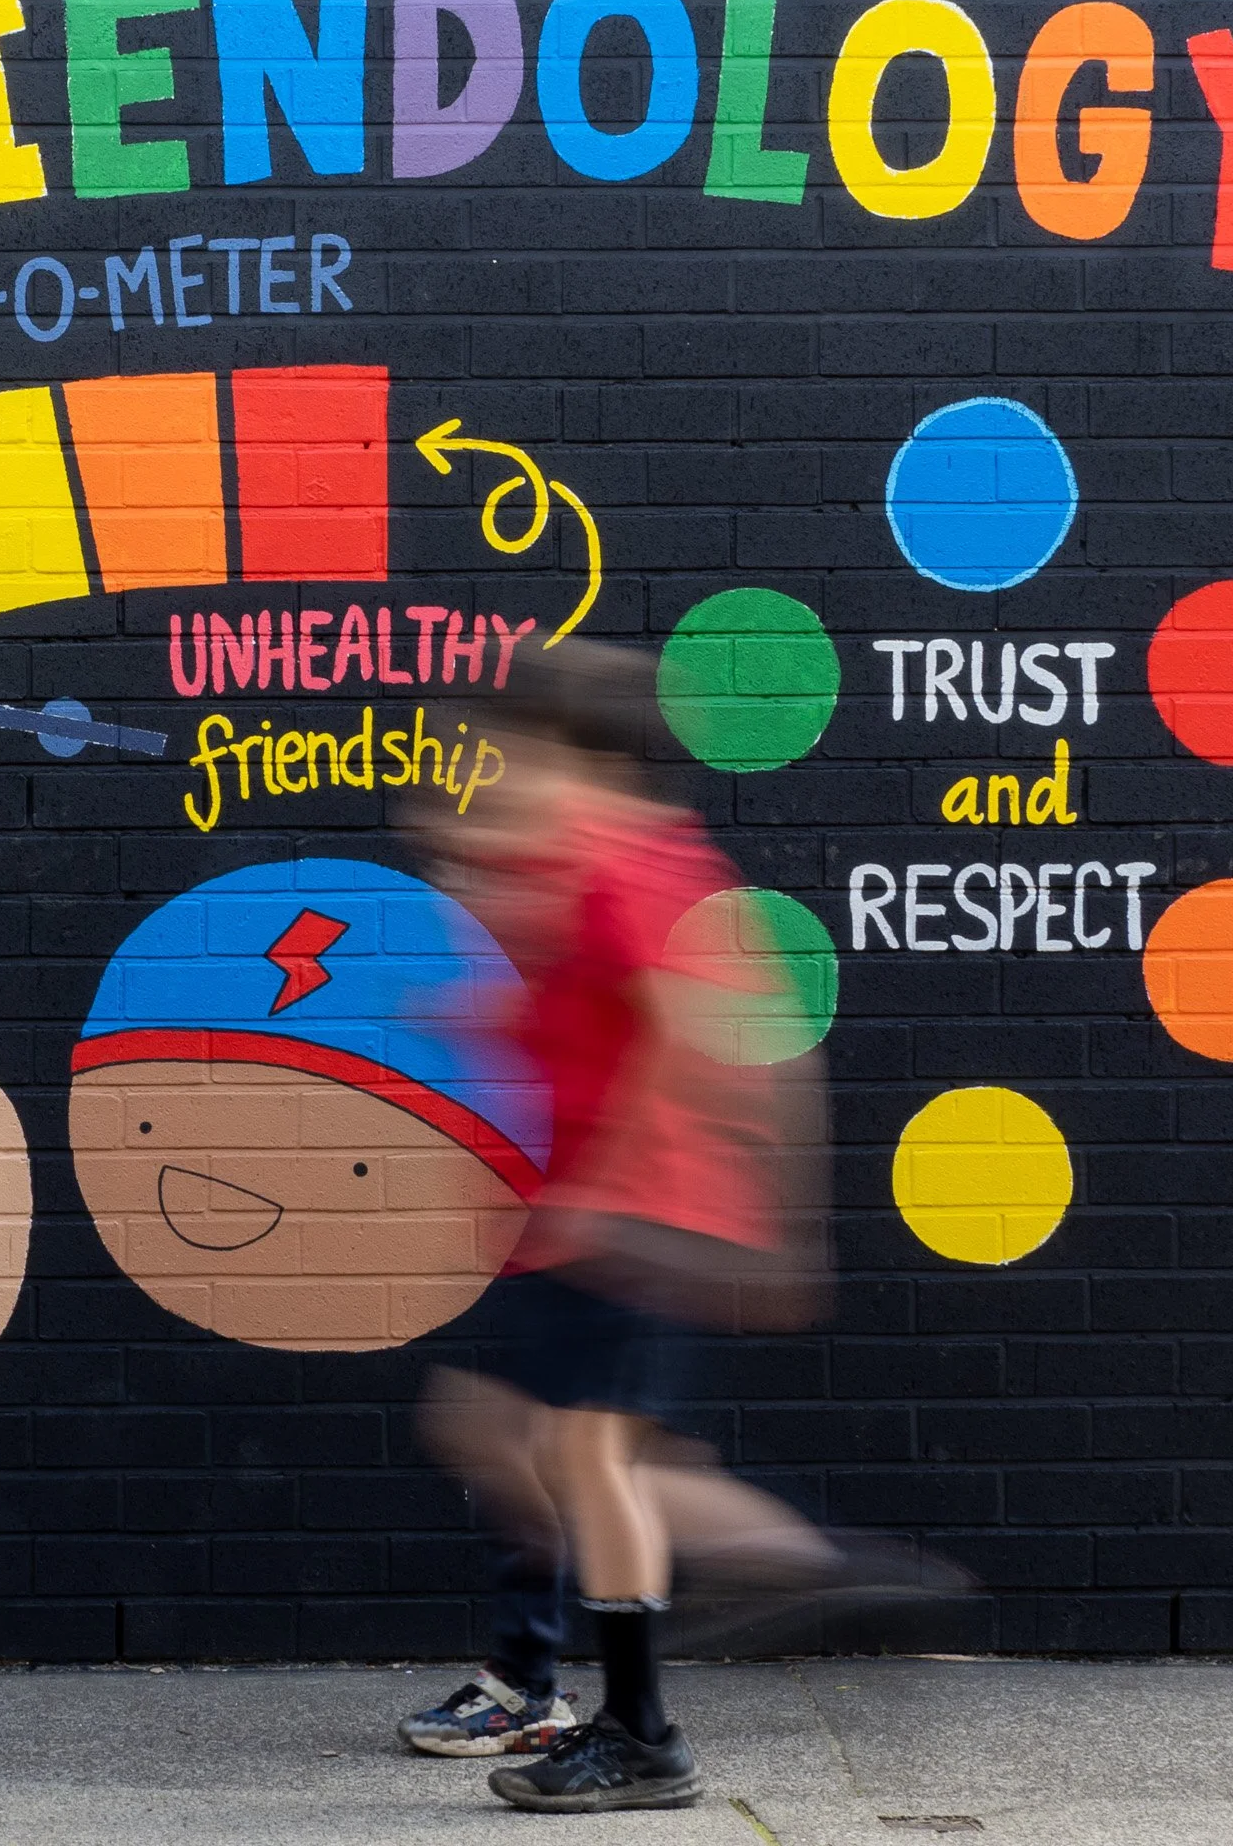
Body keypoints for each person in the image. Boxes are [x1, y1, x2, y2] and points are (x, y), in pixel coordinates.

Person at [396, 639, 835, 1813]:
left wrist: (632, 1180)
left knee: (587, 1459)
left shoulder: (633, 864)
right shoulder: (597, 860)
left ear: (575, 756)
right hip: (588, 1217)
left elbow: (696, 1029)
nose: (495, 776)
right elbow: (568, 1000)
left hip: (629, 1216)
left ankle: (650, 1718)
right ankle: (650, 1661)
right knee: (534, 1446)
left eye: (511, 754)